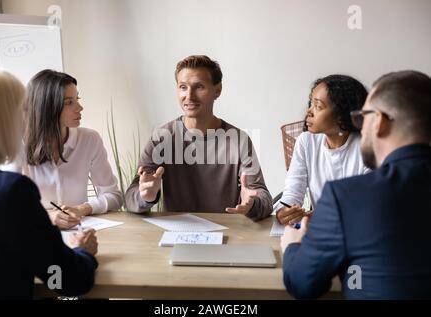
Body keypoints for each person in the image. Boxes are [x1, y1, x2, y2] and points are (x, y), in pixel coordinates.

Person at [281, 70, 431, 299]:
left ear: (378, 122)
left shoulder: (348, 197)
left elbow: (303, 283)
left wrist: (292, 246)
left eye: (364, 116)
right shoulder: (308, 144)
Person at [0, 64, 98, 299]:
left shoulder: (89, 139)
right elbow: (68, 280)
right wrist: (82, 252)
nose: (28, 119)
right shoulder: (9, 192)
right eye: (22, 110)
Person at [125, 55, 272, 220]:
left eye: (199, 87)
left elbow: (264, 198)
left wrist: (252, 204)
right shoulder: (162, 138)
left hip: (227, 234)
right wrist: (145, 196)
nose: (189, 96)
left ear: (217, 90)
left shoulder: (238, 140)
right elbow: (131, 197)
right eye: (183, 87)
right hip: (177, 234)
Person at [23, 70, 122, 230]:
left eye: (77, 99)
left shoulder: (90, 139)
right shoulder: (18, 148)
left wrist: (82, 209)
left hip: (80, 232)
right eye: (69, 102)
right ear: (47, 107)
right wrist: (48, 217)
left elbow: (114, 196)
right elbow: (11, 208)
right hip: (36, 235)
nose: (80, 107)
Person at [275, 75, 369, 226]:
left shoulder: (367, 148)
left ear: (341, 115)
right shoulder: (306, 141)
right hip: (321, 230)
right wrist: (284, 211)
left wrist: (323, 215)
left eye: (318, 106)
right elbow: (293, 190)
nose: (309, 111)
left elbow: (366, 206)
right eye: (311, 103)